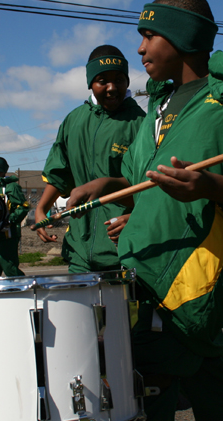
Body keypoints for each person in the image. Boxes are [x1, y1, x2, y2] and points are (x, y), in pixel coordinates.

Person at [71, 0, 223, 421]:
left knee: (133, 415)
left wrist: (208, 186)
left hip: (188, 282)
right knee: (215, 391)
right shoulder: (159, 110)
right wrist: (112, 194)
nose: (141, 48)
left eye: (149, 34)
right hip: (144, 273)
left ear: (183, 36)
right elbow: (144, 185)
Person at [35, 44, 145, 273]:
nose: (112, 88)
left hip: (125, 250)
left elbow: (150, 189)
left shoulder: (141, 123)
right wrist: (41, 209)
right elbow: (59, 172)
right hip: (79, 250)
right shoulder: (73, 121)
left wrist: (134, 218)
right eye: (102, 80)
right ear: (90, 84)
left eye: (120, 79)